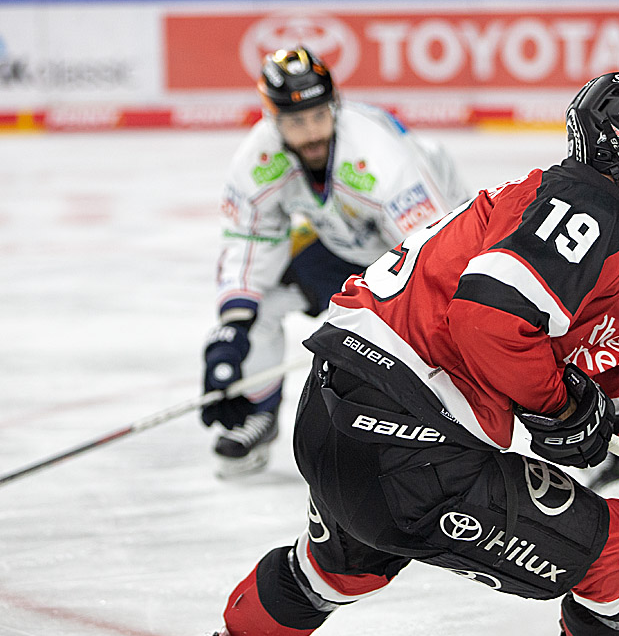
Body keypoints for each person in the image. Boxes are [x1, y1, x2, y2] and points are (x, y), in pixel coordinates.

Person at [188, 72, 619, 636]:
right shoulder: (590, 209)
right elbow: (489, 313)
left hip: (337, 415)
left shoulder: (601, 243)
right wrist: (559, 407)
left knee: (339, 568)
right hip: (409, 440)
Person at [201, 46, 470, 477]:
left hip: (424, 244)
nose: (309, 134)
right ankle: (260, 410)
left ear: (335, 107)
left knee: (424, 331)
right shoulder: (260, 158)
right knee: (260, 306)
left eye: (317, 117)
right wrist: (232, 327)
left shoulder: (380, 158)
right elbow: (250, 239)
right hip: (344, 244)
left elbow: (435, 252)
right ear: (273, 119)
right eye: (294, 121)